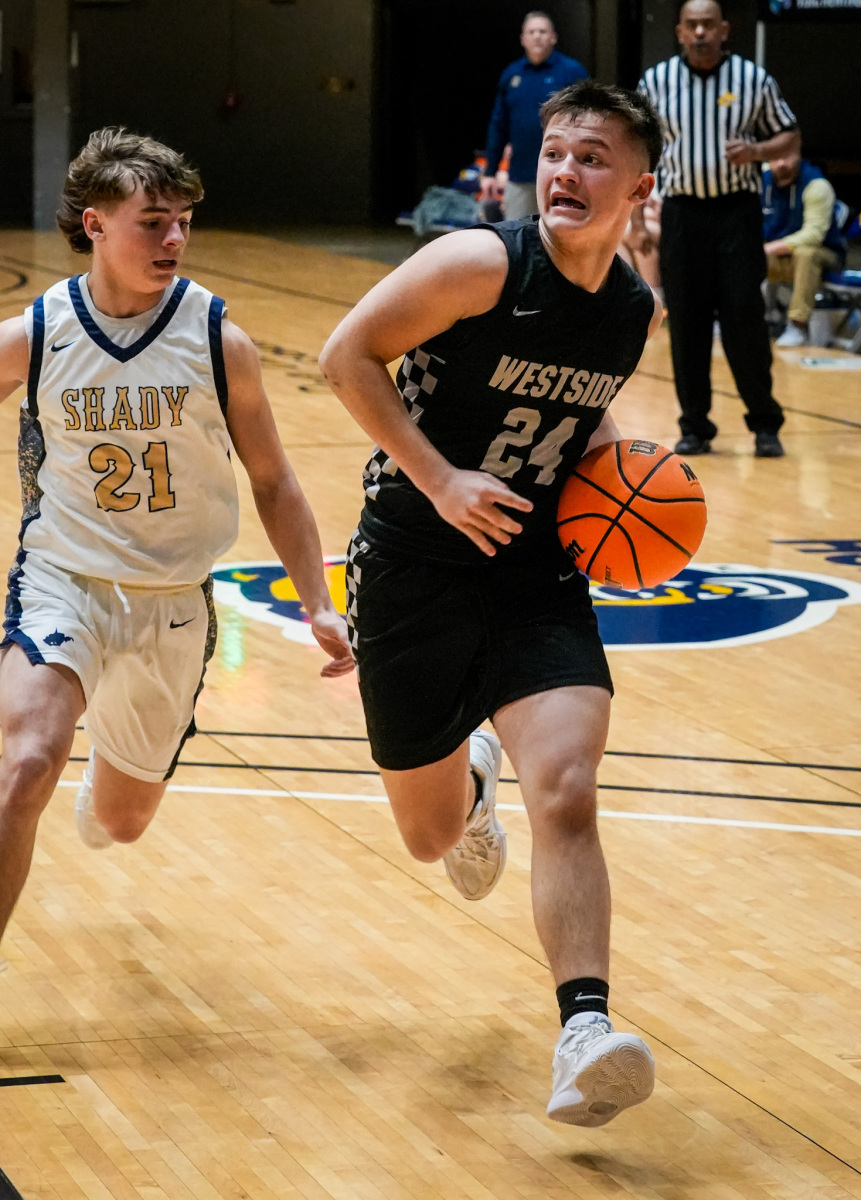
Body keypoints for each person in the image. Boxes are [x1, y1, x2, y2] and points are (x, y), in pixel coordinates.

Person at [0, 127, 354, 1080]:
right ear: (94, 224)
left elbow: (275, 480)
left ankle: (66, 722)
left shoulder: (218, 340)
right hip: (64, 579)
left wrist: (316, 601)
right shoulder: (33, 334)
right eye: (152, 222)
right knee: (29, 759)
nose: (173, 240)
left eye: (183, 223)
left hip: (172, 602)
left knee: (122, 822)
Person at [320, 80, 663, 1128]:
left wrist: (628, 485)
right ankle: (469, 787)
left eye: (592, 157)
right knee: (428, 839)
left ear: (638, 188)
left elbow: (577, 418)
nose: (565, 171)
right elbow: (345, 358)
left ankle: (584, 1030)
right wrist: (438, 479)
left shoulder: (631, 309)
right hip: (413, 561)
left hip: (532, 572)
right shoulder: (478, 264)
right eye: (555, 152)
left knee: (566, 787)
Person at [636, 0, 799, 458]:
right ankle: (694, 426)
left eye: (709, 25)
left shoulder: (753, 79)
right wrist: (636, 220)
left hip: (736, 214)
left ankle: (765, 423)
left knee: (744, 317)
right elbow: (637, 152)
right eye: (692, 25)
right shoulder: (655, 82)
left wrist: (757, 151)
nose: (701, 32)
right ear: (679, 32)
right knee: (686, 321)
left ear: (724, 30)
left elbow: (790, 135)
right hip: (681, 215)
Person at [480, 12, 587, 221]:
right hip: (520, 177)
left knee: (563, 234)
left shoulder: (573, 72)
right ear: (523, 39)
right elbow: (498, 125)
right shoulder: (511, 74)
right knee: (517, 234)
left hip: (563, 175)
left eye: (542, 31)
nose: (537, 36)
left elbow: (587, 123)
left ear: (553, 37)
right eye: (531, 32)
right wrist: (490, 172)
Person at [763, 151, 846, 348]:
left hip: (825, 255)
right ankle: (734, 319)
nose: (781, 163)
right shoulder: (761, 182)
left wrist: (771, 247)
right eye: (776, 157)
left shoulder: (817, 185)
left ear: (798, 154)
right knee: (738, 253)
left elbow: (813, 235)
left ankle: (798, 325)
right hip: (779, 256)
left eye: (787, 156)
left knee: (806, 253)